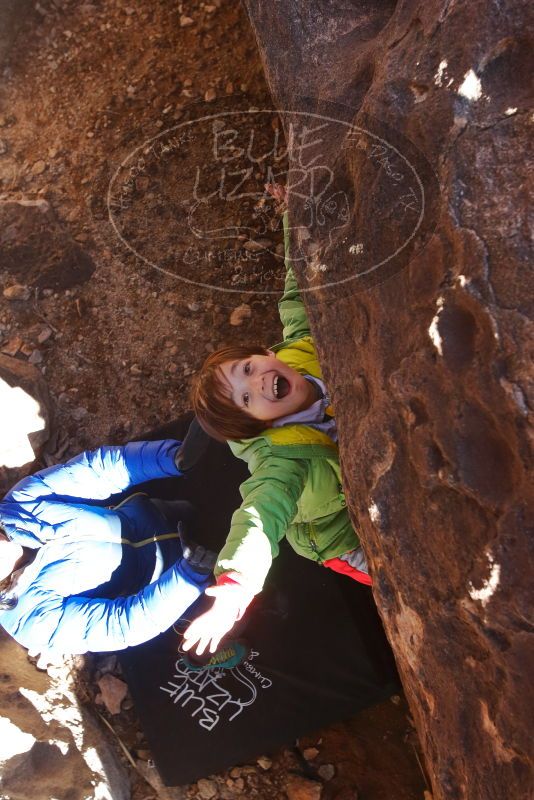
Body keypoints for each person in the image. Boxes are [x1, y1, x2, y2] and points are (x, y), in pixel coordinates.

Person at [183, 183, 372, 659]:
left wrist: (294, 218)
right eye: (247, 398)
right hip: (335, 533)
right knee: (408, 574)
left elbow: (298, 290)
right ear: (257, 427)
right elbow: (260, 515)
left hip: (348, 474)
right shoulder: (283, 461)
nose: (259, 381)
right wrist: (236, 585)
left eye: (249, 368)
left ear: (265, 353)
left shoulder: (302, 350)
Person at [0, 436, 245, 668]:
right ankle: (207, 653)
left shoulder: (21, 506)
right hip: (169, 586)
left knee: (208, 507)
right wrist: (188, 576)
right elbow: (121, 625)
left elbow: (97, 471)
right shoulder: (29, 620)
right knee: (211, 625)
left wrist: (173, 457)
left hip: (157, 517)